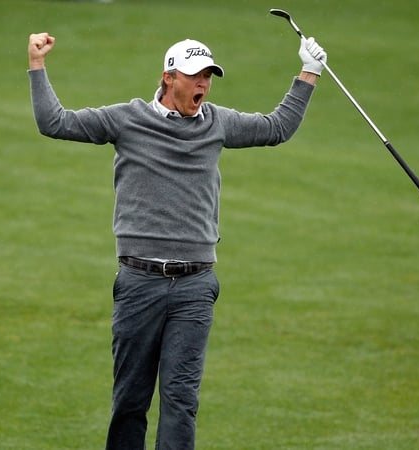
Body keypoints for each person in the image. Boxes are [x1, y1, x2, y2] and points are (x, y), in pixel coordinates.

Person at [27, 31, 326, 450]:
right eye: (194, 76)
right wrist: (37, 64)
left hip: (194, 288)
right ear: (168, 78)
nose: (203, 84)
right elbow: (53, 122)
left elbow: (276, 127)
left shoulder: (217, 122)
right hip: (139, 283)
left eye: (208, 76)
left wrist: (309, 72)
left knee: (181, 401)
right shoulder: (127, 119)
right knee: (130, 401)